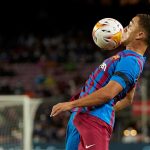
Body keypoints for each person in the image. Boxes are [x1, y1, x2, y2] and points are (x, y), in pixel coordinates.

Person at [50, 14, 150, 150]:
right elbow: (128, 99)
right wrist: (103, 108)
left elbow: (109, 93)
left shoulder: (131, 61)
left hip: (93, 122)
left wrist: (72, 104)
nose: (124, 27)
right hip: (81, 117)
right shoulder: (127, 57)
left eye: (131, 24)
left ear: (139, 35)